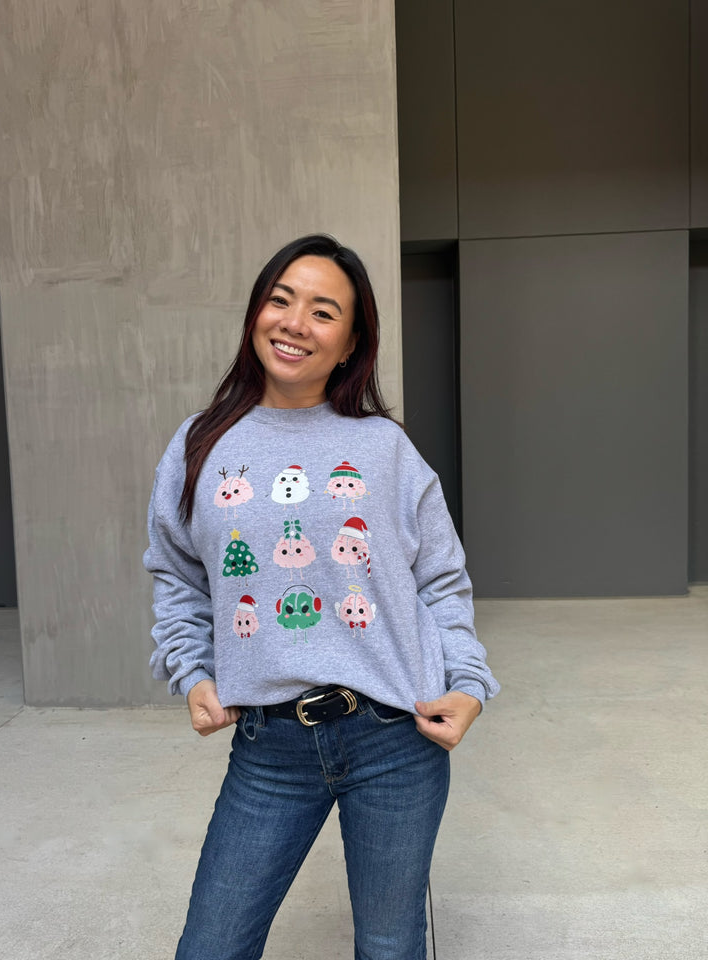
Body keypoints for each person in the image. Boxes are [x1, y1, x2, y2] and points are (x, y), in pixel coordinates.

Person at [143, 234, 499, 960]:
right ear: (256, 313)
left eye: (323, 311)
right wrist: (194, 670)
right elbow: (177, 575)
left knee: (391, 946)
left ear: (351, 342)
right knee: (212, 945)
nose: (295, 323)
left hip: (395, 736)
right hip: (268, 746)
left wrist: (468, 683)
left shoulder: (384, 448)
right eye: (281, 300)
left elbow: (440, 580)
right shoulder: (199, 445)